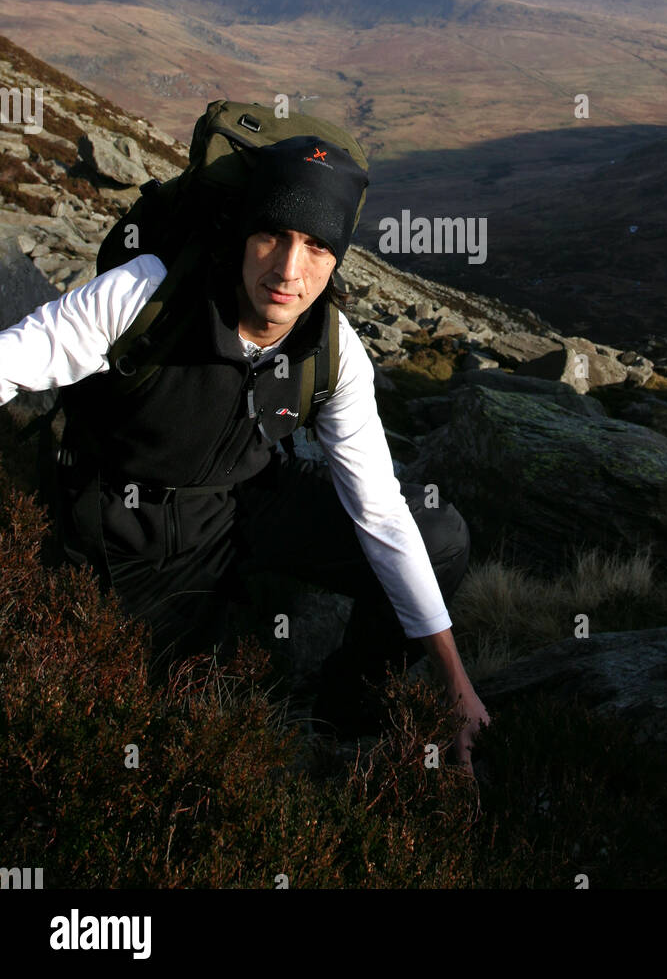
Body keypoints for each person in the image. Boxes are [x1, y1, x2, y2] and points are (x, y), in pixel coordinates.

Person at [0, 133, 490, 768]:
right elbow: (14, 358)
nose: (289, 270)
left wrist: (453, 678)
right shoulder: (148, 293)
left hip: (249, 500)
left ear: (337, 259)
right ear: (242, 232)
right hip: (134, 525)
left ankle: (346, 711)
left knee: (439, 536)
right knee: (170, 736)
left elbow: (381, 512)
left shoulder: (332, 350)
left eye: (317, 246)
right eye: (273, 236)